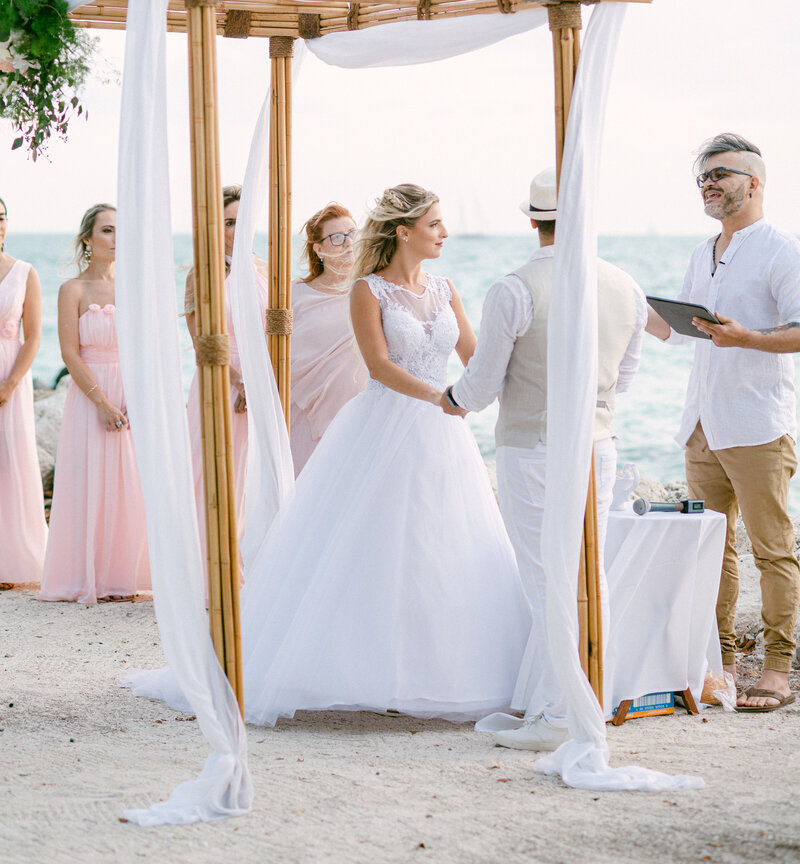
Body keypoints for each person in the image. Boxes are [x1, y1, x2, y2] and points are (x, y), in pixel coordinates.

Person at [233, 183, 529, 725]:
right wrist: (443, 398)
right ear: (404, 231)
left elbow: (478, 355)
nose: (444, 233)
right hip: (386, 423)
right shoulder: (367, 292)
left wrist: (510, 386)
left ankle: (436, 670)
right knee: (376, 542)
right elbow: (379, 367)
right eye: (435, 224)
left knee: (441, 542)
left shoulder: (445, 289)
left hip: (444, 432)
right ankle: (359, 668)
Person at [444, 168, 646, 750]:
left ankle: (560, 713)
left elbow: (481, 385)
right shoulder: (625, 285)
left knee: (544, 576)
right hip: (598, 445)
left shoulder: (514, 287)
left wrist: (450, 398)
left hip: (532, 447)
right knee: (589, 574)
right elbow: (625, 377)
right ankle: (586, 699)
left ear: (532, 220)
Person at [646, 133, 800, 712]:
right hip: (702, 424)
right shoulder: (700, 252)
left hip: (758, 424)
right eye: (703, 177)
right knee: (711, 549)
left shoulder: (781, 251)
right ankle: (721, 662)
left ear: (754, 182)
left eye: (720, 174)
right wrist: (623, 300)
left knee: (772, 550)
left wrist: (748, 339)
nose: (708, 184)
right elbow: (678, 327)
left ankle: (779, 669)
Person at [40, 205, 150, 604]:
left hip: (129, 394)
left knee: (129, 484)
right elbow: (70, 354)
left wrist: (137, 399)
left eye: (122, 230)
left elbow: (143, 349)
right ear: (88, 238)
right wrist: (102, 403)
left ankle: (122, 576)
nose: (117, 238)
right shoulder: (73, 290)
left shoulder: (133, 287)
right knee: (89, 481)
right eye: (107, 230)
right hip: (89, 396)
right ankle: (84, 575)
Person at [184, 185, 268, 569]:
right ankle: (208, 568)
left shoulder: (267, 269)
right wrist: (237, 380)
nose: (238, 228)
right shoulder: (202, 273)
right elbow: (202, 340)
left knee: (254, 477)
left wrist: (261, 383)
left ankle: (250, 566)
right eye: (229, 222)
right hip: (219, 379)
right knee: (214, 473)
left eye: (242, 220)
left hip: (262, 384)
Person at [290, 202, 367, 475]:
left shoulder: (371, 291)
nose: (347, 244)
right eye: (336, 238)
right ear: (318, 248)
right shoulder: (293, 296)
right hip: (304, 413)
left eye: (352, 235)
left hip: (360, 412)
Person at [0, 197, 48, 587]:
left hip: (11, 376)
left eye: (1, 219)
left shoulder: (24, 272)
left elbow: (33, 337)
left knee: (13, 461)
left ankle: (14, 559)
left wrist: (11, 382)